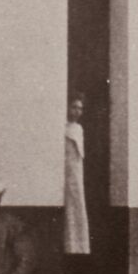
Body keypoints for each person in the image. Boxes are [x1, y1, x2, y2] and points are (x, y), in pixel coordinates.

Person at [64, 94, 90, 254]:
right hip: (65, 173)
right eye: (74, 107)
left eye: (80, 108)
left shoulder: (78, 129)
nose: (77, 112)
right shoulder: (63, 128)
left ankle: (79, 247)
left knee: (78, 204)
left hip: (76, 174)